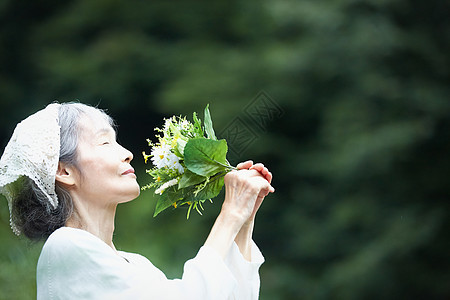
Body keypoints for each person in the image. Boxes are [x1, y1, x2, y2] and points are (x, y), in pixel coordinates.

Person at [0, 102, 275, 300]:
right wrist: (230, 213)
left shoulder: (136, 264)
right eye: (105, 143)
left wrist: (244, 218)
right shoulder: (67, 245)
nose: (128, 153)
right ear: (64, 171)